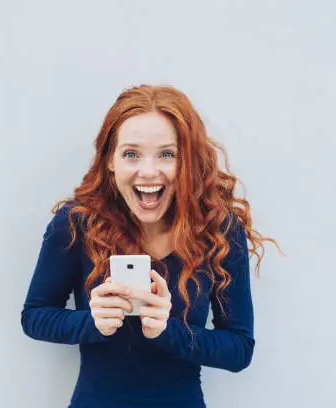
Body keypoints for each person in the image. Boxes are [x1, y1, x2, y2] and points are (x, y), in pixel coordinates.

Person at [21, 85, 278, 408]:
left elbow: (239, 349)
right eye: (131, 154)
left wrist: (169, 331)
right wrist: (91, 322)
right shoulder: (77, 223)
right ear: (110, 161)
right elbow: (34, 316)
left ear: (187, 162)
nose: (148, 171)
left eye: (167, 154)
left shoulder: (219, 231)